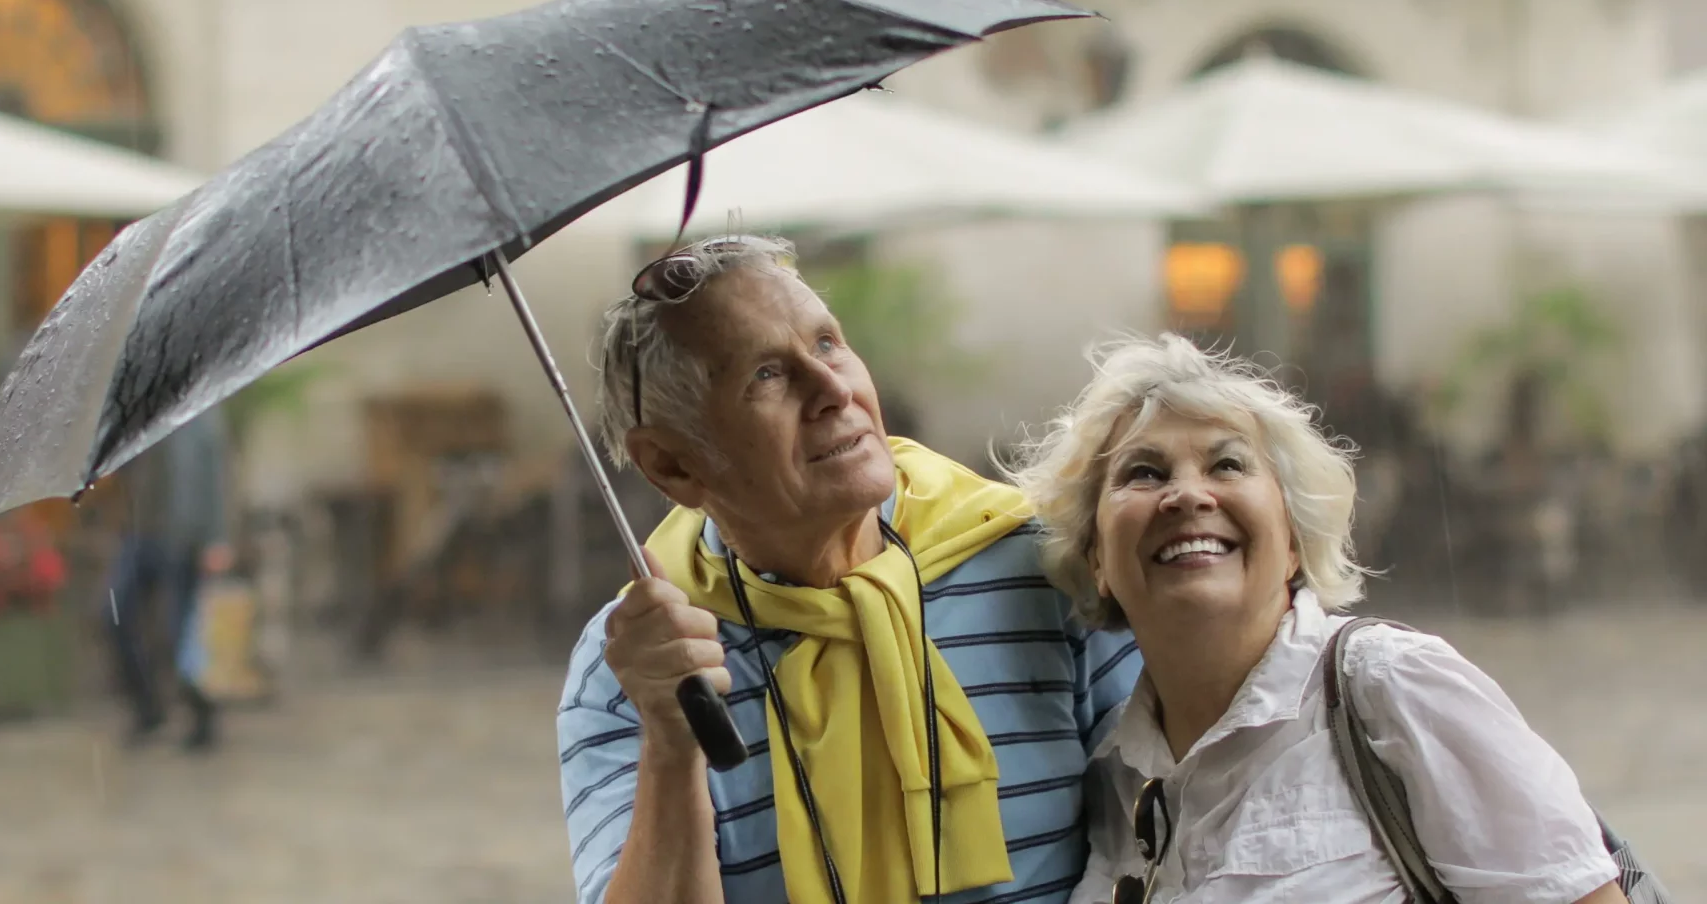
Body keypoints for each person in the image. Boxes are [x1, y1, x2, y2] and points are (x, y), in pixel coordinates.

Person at [556, 234, 1141, 904]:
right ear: (673, 464)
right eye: (766, 375)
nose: (834, 389)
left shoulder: (1043, 570)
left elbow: (1173, 831)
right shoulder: (636, 670)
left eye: (828, 342)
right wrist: (671, 741)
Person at [1006, 333, 1629, 903]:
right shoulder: (1114, 781)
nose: (1189, 494)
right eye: (1144, 473)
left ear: (1295, 540)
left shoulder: (1390, 687)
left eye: (1228, 465)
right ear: (1096, 563)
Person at [105, 410, 229, 752]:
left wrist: (216, 538)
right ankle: (148, 707)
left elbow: (215, 477)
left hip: (182, 538)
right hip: (139, 535)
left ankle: (201, 711)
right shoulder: (136, 412)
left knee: (181, 632)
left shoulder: (201, 414)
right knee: (115, 612)